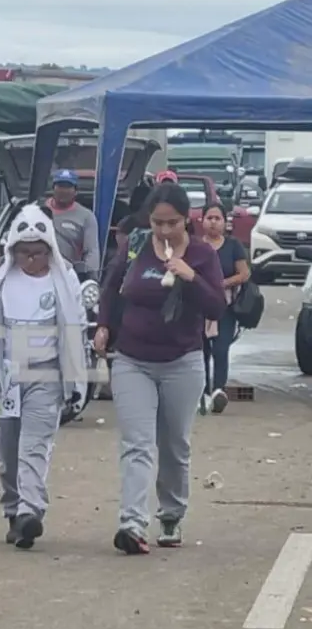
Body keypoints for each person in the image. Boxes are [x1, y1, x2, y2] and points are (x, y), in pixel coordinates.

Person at [95, 182, 226, 555]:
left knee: (173, 444)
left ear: (187, 219)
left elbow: (216, 307)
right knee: (137, 444)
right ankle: (132, 524)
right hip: (133, 360)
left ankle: (170, 514)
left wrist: (190, 275)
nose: (165, 231)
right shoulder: (135, 246)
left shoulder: (202, 255)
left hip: (182, 362)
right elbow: (111, 286)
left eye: (172, 223)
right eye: (158, 223)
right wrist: (104, 325)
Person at [0, 204, 88, 549]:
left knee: (35, 446)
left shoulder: (65, 278)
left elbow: (75, 330)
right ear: (13, 248)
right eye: (25, 252)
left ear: (50, 250)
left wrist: (76, 383)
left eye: (39, 252)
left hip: (45, 376)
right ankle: (14, 510)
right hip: (5, 377)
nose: (32, 259)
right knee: (8, 448)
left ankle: (32, 509)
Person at [200, 202, 250, 413]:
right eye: (209, 218)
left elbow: (244, 274)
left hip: (225, 308)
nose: (213, 222)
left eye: (217, 218)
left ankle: (218, 391)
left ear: (224, 222)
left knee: (220, 350)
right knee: (200, 351)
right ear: (201, 220)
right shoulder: (195, 246)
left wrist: (222, 283)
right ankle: (202, 393)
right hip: (198, 309)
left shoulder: (233, 246)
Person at [46, 169, 101, 277]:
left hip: (67, 274)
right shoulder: (37, 209)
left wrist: (90, 277)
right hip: (36, 271)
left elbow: (91, 251)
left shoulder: (86, 216)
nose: (64, 190)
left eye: (68, 187)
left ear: (76, 191)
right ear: (53, 188)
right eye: (60, 186)